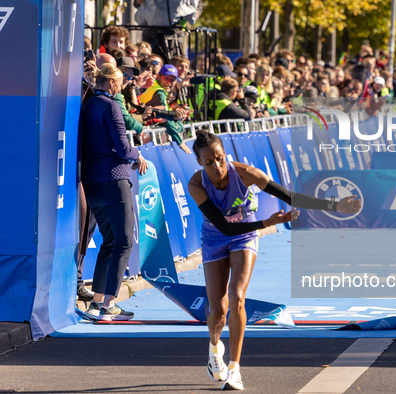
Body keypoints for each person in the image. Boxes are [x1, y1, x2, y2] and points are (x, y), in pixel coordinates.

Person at [187, 131, 361, 390]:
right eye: (209, 162)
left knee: (237, 296)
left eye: (220, 158)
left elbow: (289, 196)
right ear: (200, 163)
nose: (217, 166)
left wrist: (334, 206)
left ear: (226, 155)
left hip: (244, 237)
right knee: (218, 312)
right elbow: (223, 227)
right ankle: (214, 348)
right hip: (215, 239)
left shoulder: (246, 173)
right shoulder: (196, 185)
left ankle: (234, 368)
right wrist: (267, 222)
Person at [80, 64, 148, 321]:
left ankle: (97, 303)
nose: (123, 87)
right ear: (111, 84)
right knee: (123, 242)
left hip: (92, 183)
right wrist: (138, 154)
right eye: (121, 82)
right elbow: (122, 147)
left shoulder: (89, 105)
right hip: (113, 180)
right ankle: (108, 305)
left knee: (110, 242)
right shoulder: (111, 106)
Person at [139, 64, 192, 153]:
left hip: (144, 135)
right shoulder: (159, 92)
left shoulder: (154, 87)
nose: (170, 82)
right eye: (167, 78)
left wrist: (174, 112)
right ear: (158, 76)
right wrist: (180, 141)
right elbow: (166, 120)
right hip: (143, 137)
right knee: (178, 125)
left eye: (173, 80)